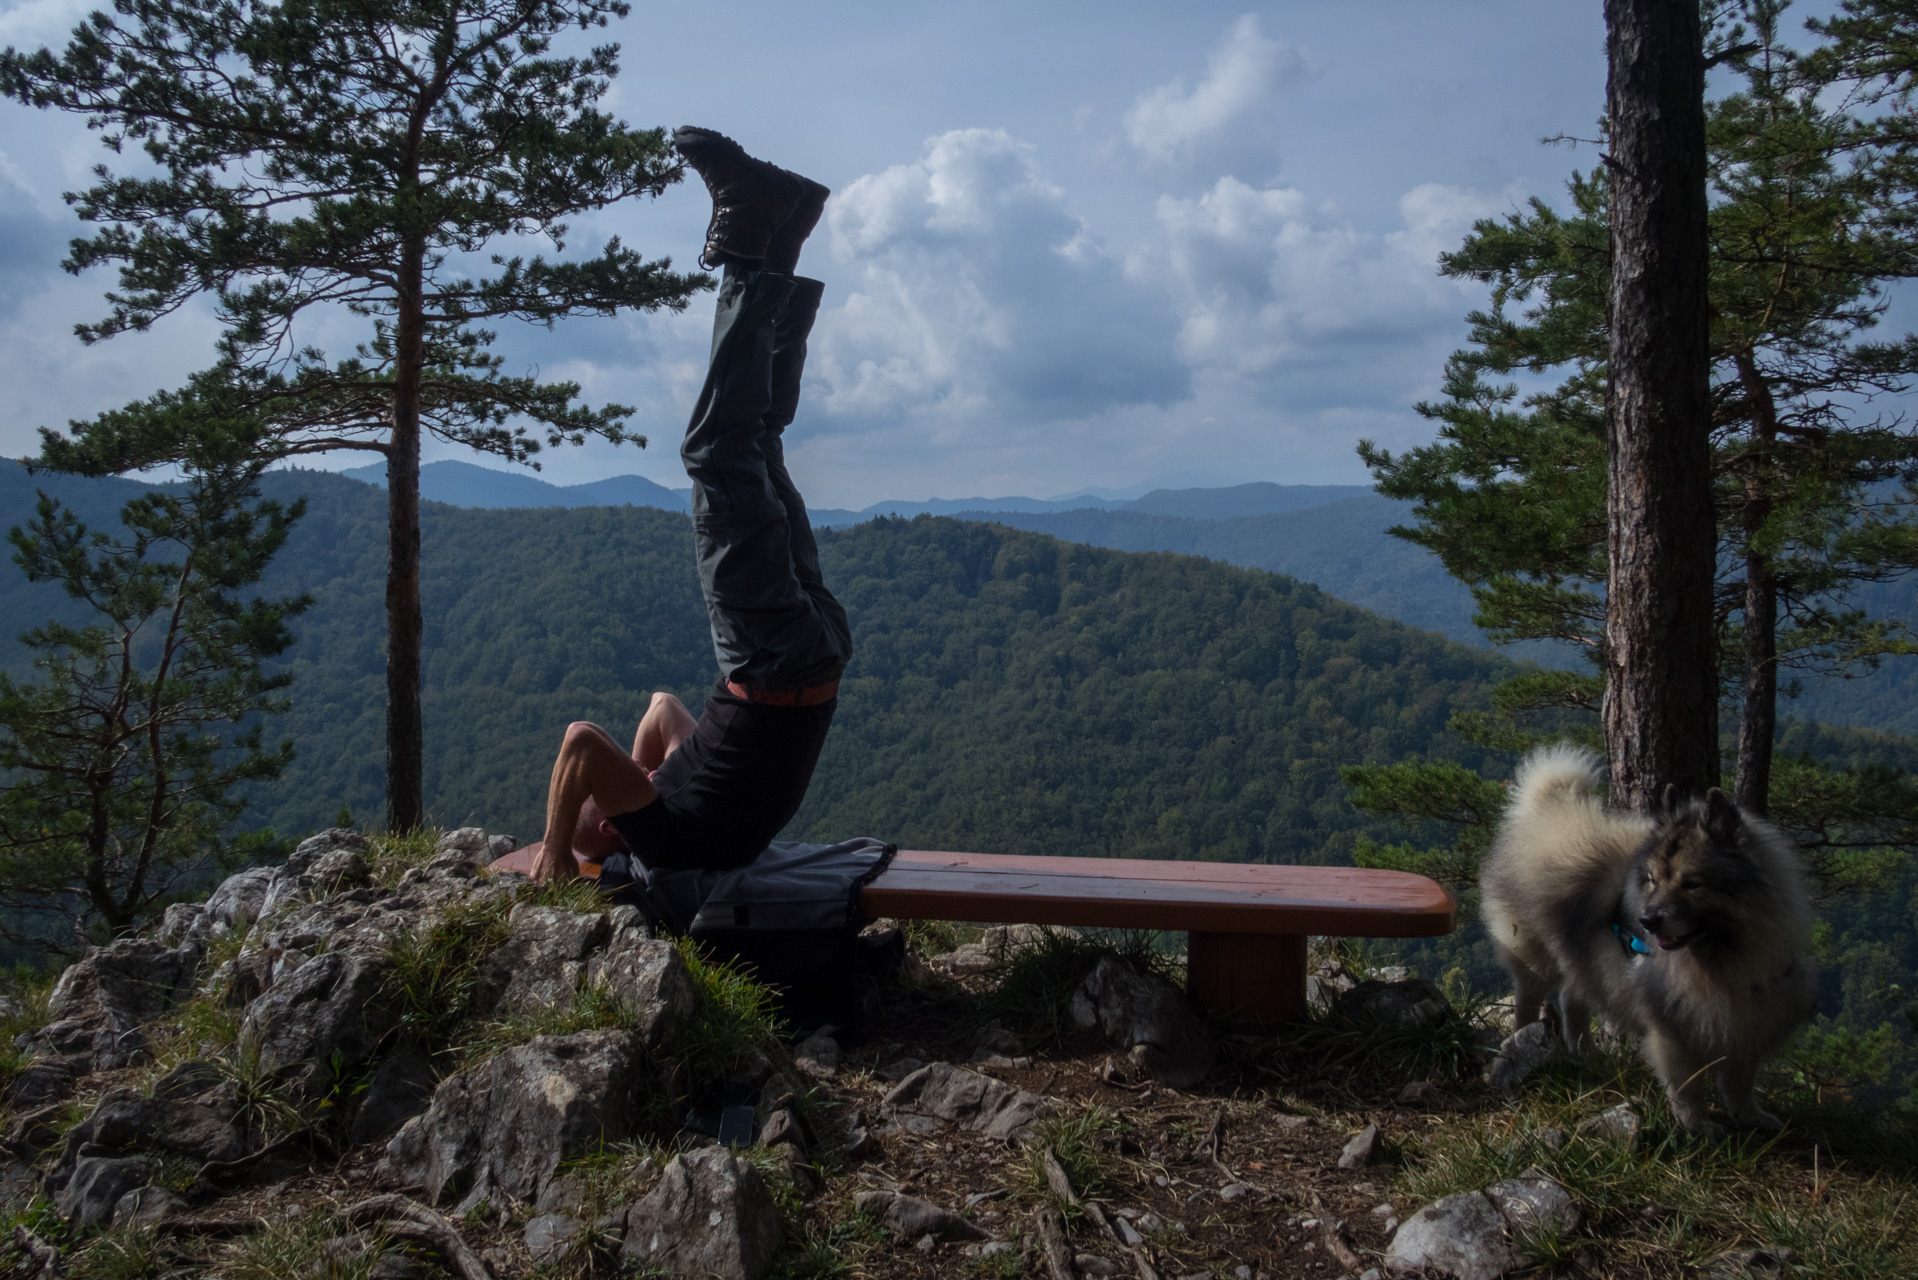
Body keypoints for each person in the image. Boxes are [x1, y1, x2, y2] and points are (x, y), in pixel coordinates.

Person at [529, 128, 852, 883]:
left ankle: (784, 239)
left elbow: (662, 707)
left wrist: (635, 783)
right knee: (718, 451)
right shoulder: (667, 837)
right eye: (595, 809)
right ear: (611, 821)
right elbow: (582, 740)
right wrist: (553, 846)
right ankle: (749, 241)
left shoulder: (675, 800)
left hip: (814, 655)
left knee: (760, 443)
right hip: (770, 660)